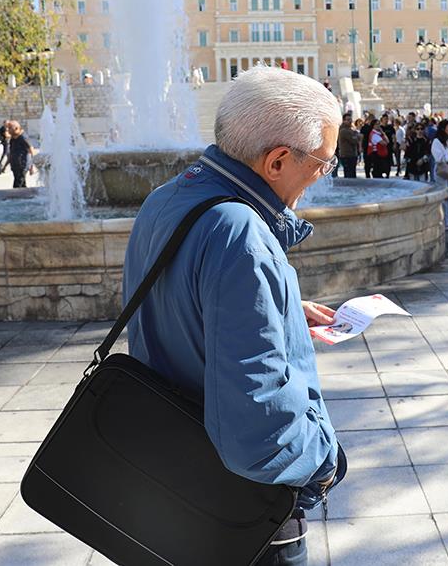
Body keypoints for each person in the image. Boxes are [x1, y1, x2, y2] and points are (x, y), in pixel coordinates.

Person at [123, 67, 347, 566]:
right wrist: (326, 462)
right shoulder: (241, 234)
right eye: (322, 164)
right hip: (244, 511)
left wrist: (283, 307)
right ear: (277, 161)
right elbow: (258, 433)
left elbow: (181, 305)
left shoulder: (169, 196)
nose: (321, 178)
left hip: (177, 478)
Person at [4, 120, 35, 188]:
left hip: (22, 166)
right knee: (22, 185)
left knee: (17, 186)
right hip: (15, 166)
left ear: (16, 128)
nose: (7, 130)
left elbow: (31, 150)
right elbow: (11, 153)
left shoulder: (23, 138)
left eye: (9, 128)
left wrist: (32, 167)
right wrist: (5, 165)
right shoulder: (13, 139)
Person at [337, 113, 360, 178]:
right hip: (347, 155)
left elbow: (356, 137)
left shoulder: (351, 130)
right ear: (344, 121)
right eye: (348, 120)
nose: (350, 121)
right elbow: (354, 140)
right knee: (349, 174)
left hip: (352, 154)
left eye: (350, 119)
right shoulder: (344, 130)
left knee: (352, 173)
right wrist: (357, 136)